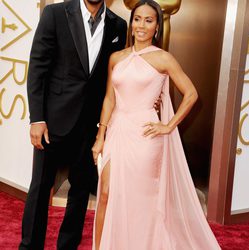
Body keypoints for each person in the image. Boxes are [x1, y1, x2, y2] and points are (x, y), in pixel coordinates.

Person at [91, 0, 221, 249]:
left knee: (141, 199)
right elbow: (109, 98)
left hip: (146, 135)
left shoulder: (164, 59)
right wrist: (100, 136)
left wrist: (168, 125)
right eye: (137, 19)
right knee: (106, 194)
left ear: (157, 27)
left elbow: (191, 93)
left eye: (148, 20)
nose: (141, 25)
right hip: (117, 131)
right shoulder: (116, 57)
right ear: (131, 23)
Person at [19, 0, 127, 249]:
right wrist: (37, 118)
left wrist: (105, 126)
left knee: (80, 191)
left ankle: (67, 245)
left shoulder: (118, 25)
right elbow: (37, 67)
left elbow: (113, 79)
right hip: (53, 120)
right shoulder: (55, 14)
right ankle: (29, 246)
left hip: (90, 124)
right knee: (40, 186)